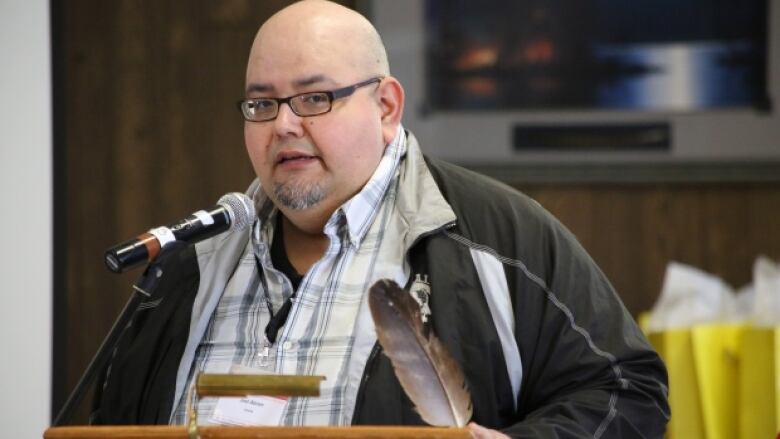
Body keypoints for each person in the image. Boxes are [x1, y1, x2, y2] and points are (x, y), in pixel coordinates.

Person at [92, 1, 670, 437]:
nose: (284, 126)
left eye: (315, 98)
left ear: (386, 107)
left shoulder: (497, 237)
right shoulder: (191, 264)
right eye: (261, 104)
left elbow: (629, 392)